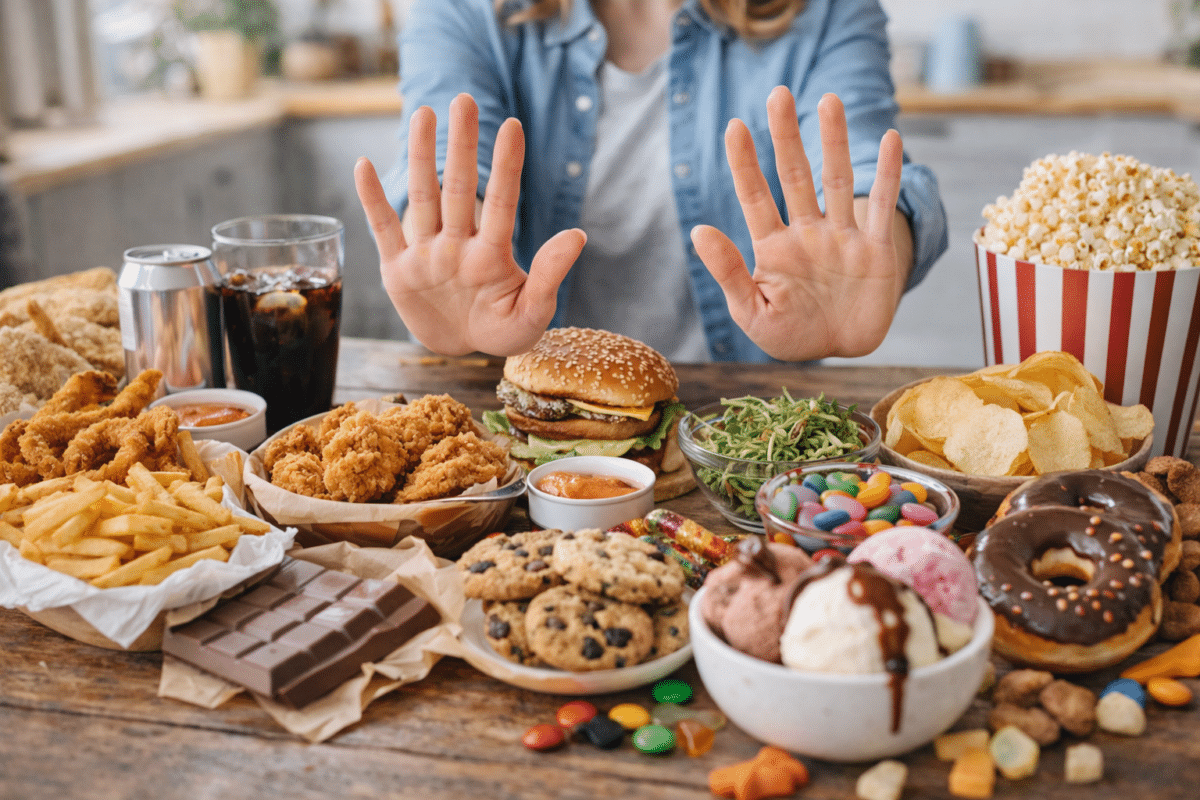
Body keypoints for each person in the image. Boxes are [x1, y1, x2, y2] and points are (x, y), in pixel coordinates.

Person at [355, 0, 948, 362]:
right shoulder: (463, 10)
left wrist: (878, 254)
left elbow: (861, 164)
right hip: (525, 419)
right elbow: (448, 164)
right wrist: (439, 247)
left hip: (738, 427)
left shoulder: (829, 11)